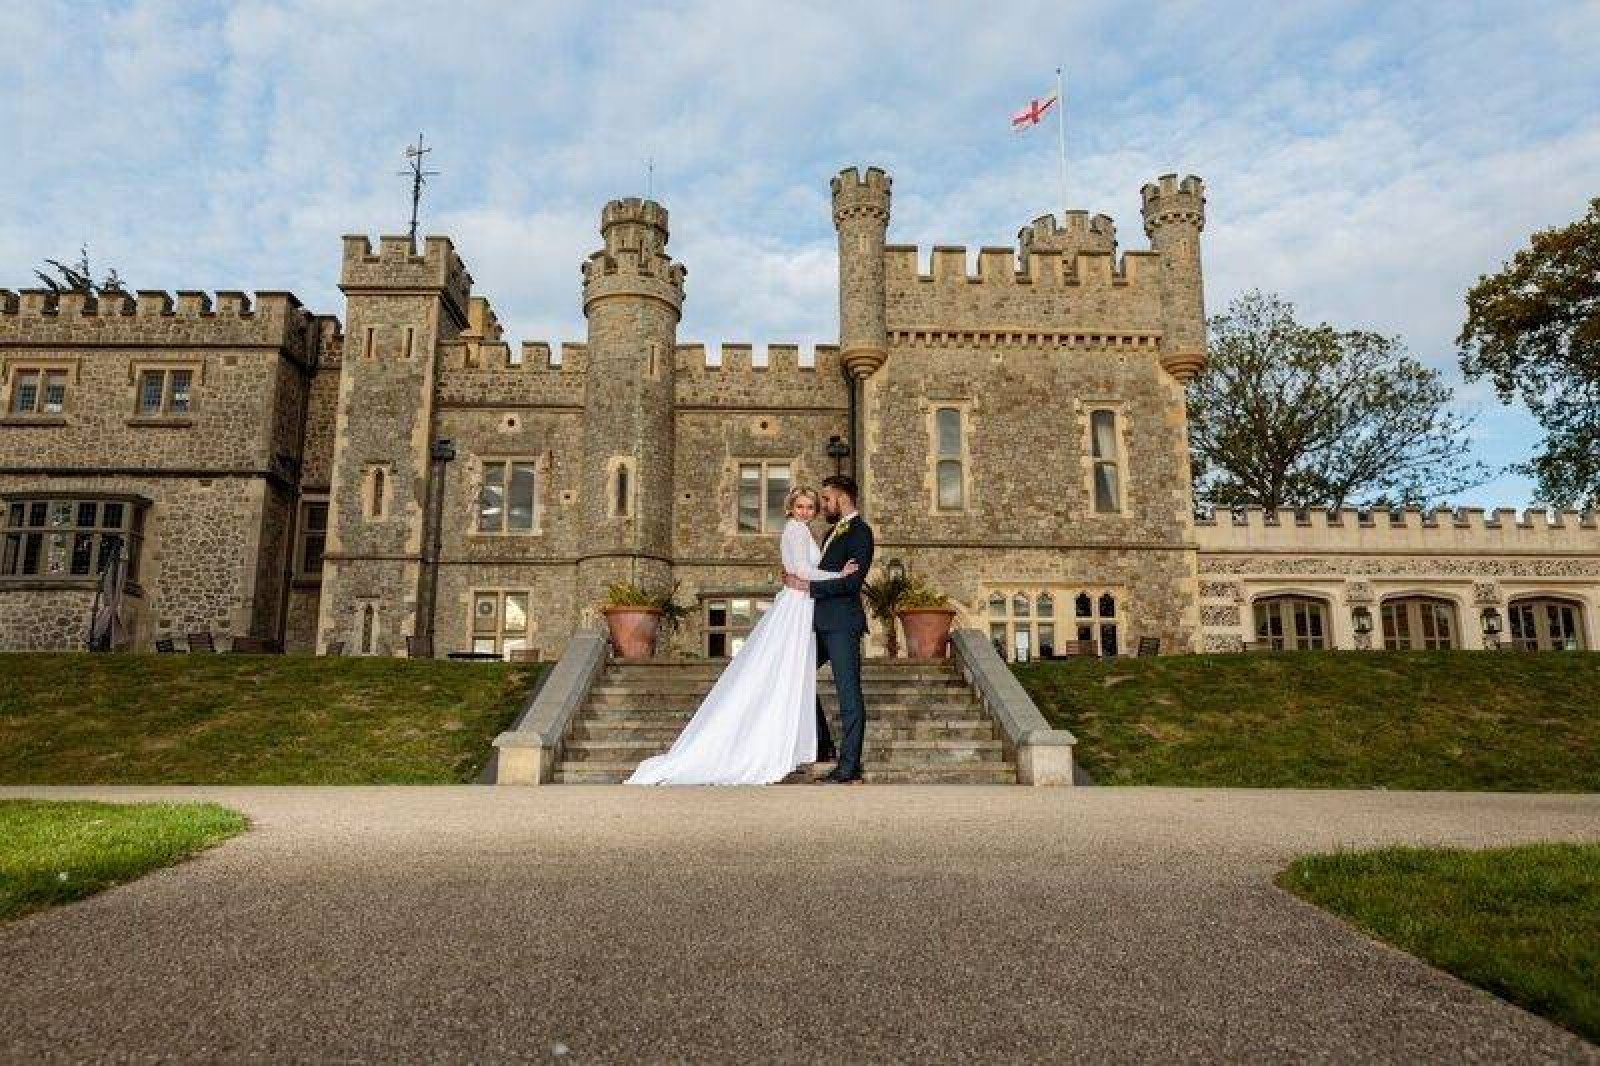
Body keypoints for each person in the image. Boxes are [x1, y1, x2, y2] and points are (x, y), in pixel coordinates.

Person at [624, 486, 860, 785]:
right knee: (783, 672)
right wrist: (838, 575)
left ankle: (801, 746)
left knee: (790, 674)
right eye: (800, 507)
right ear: (790, 508)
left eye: (810, 507)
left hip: (804, 604)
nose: (806, 512)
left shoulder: (803, 532)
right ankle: (785, 746)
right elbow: (801, 569)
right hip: (798, 604)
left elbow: (799, 568)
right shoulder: (796, 531)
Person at [781, 474, 875, 785]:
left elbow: (851, 583)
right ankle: (824, 747)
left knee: (849, 694)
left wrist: (807, 586)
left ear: (842, 498)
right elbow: (827, 571)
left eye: (826, 499)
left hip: (842, 624)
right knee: (798, 677)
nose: (823, 505)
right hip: (819, 624)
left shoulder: (860, 533)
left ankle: (850, 768)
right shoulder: (831, 532)